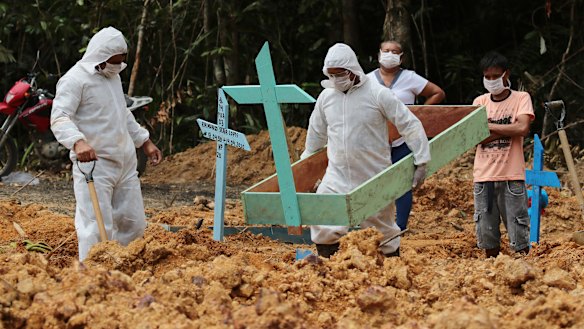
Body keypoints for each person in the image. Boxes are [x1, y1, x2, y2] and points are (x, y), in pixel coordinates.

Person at [302, 43, 431, 258]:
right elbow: (315, 134)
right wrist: (305, 169)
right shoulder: (326, 97)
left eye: (340, 74)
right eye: (331, 75)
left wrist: (421, 160)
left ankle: (390, 270)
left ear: (352, 71)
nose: (336, 79)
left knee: (381, 231)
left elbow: (408, 123)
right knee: (324, 219)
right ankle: (328, 269)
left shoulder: (377, 93)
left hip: (374, 175)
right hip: (337, 176)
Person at [51, 27, 162, 261]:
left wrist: (145, 141)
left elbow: (122, 113)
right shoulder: (74, 80)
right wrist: (77, 142)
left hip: (125, 165)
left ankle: (124, 269)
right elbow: (60, 117)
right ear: (100, 57)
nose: (117, 66)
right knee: (95, 226)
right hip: (95, 166)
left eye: (121, 62)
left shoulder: (113, 77)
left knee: (134, 224)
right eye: (113, 62)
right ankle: (93, 275)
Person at [367, 40, 445, 231]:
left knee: (403, 182)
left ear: (401, 58)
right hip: (375, 140)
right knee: (375, 184)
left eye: (395, 52)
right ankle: (374, 226)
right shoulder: (366, 80)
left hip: (403, 139)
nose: (390, 54)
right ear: (378, 54)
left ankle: (400, 226)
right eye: (386, 51)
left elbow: (437, 93)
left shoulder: (410, 78)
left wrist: (418, 114)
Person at [472, 51, 534, 258]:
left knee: (519, 230)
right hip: (484, 176)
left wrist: (487, 127)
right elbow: (474, 137)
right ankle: (493, 271)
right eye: (487, 77)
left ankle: (525, 269)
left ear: (506, 74)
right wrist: (508, 126)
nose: (491, 81)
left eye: (495, 76)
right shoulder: (479, 101)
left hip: (512, 176)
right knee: (486, 231)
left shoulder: (521, 98)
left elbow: (523, 128)